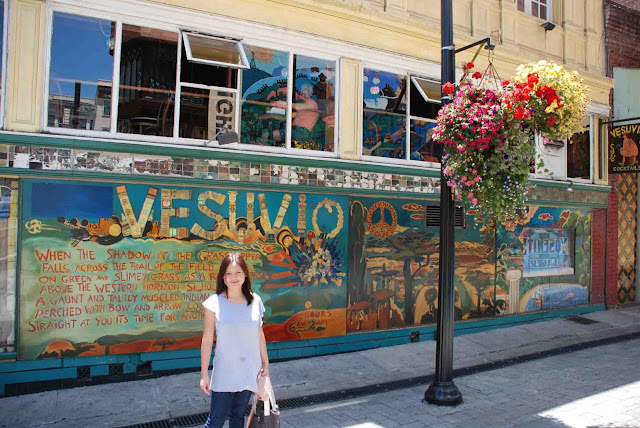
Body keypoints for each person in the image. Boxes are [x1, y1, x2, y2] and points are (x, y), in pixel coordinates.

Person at [200, 253, 270, 428]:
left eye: (238, 272)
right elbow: (207, 340)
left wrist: (265, 364)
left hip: (249, 370)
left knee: (238, 417)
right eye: (229, 274)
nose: (234, 277)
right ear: (223, 278)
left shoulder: (255, 301)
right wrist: (204, 374)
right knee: (215, 421)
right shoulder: (213, 303)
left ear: (245, 274)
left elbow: (259, 334)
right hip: (225, 372)